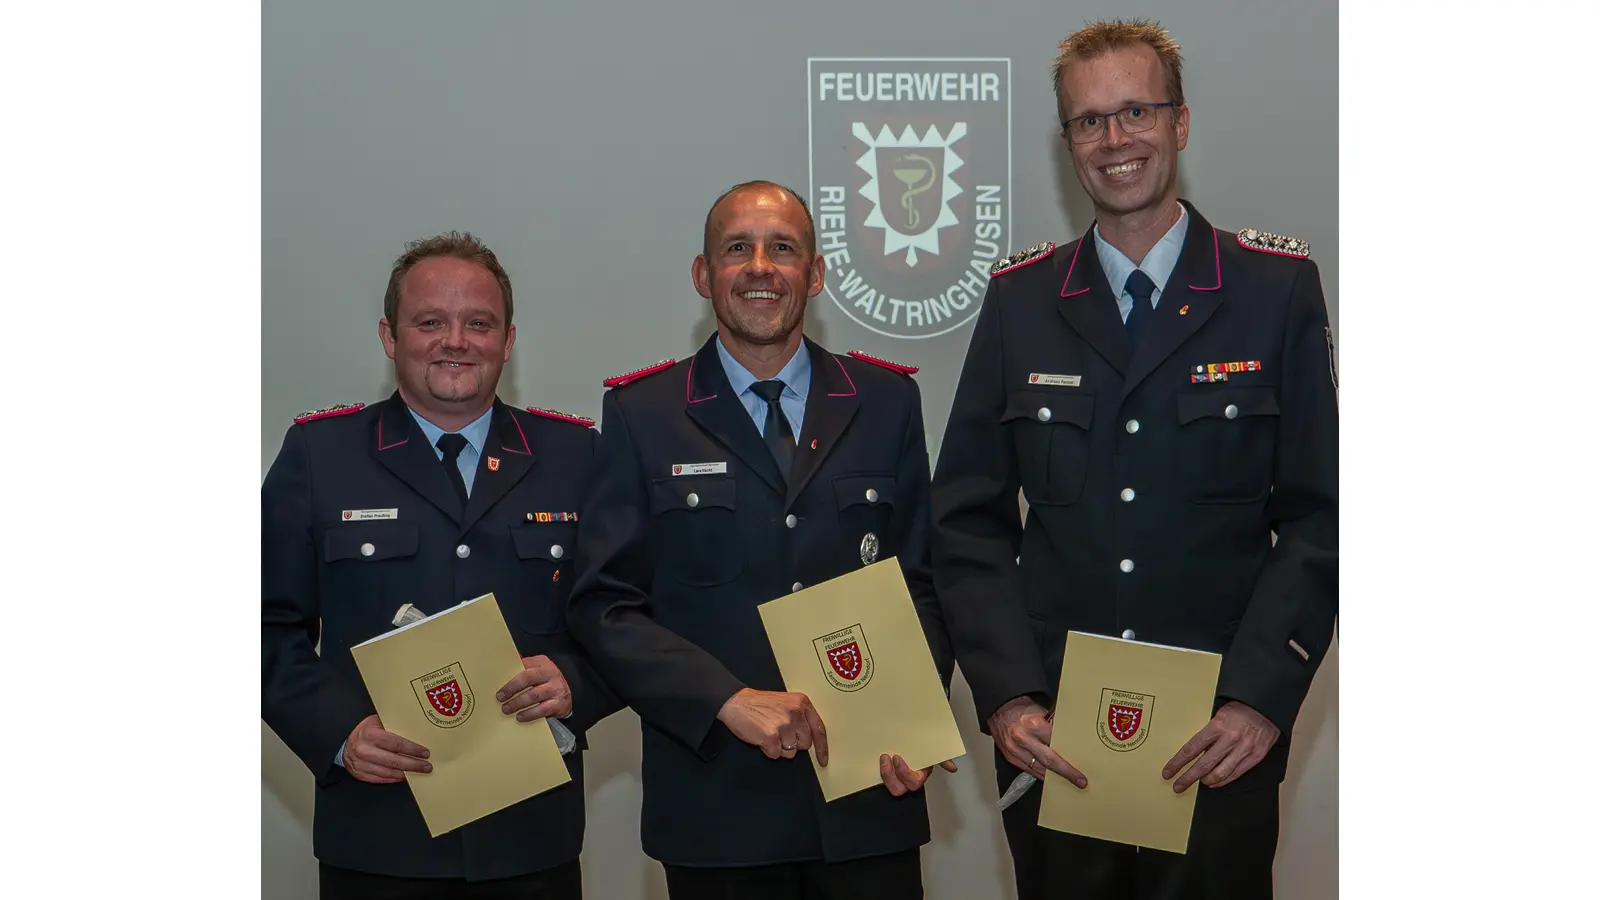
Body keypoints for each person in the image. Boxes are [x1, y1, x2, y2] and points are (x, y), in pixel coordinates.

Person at [930, 19, 1338, 900]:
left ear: (1180, 124)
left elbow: (1320, 513)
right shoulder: (1019, 303)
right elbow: (965, 522)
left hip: (1216, 743)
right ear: (1067, 141)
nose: (1115, 141)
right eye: (1089, 121)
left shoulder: (1273, 292)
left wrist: (1261, 700)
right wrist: (1007, 696)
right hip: (1060, 741)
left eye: (1136, 112)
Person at [565, 181, 956, 900]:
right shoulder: (642, 414)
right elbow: (605, 605)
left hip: (868, 799)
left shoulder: (887, 401)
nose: (760, 266)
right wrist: (723, 698)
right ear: (702, 274)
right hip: (718, 808)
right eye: (736, 248)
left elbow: (921, 582)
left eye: (783, 248)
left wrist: (913, 719)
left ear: (815, 273)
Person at [261, 231, 621, 900]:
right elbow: (263, 628)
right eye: (431, 321)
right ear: (390, 337)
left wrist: (580, 682)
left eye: (478, 323)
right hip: (378, 835)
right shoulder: (320, 455)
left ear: (507, 340)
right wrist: (338, 733)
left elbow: (624, 614)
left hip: (529, 839)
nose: (456, 340)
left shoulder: (577, 456)